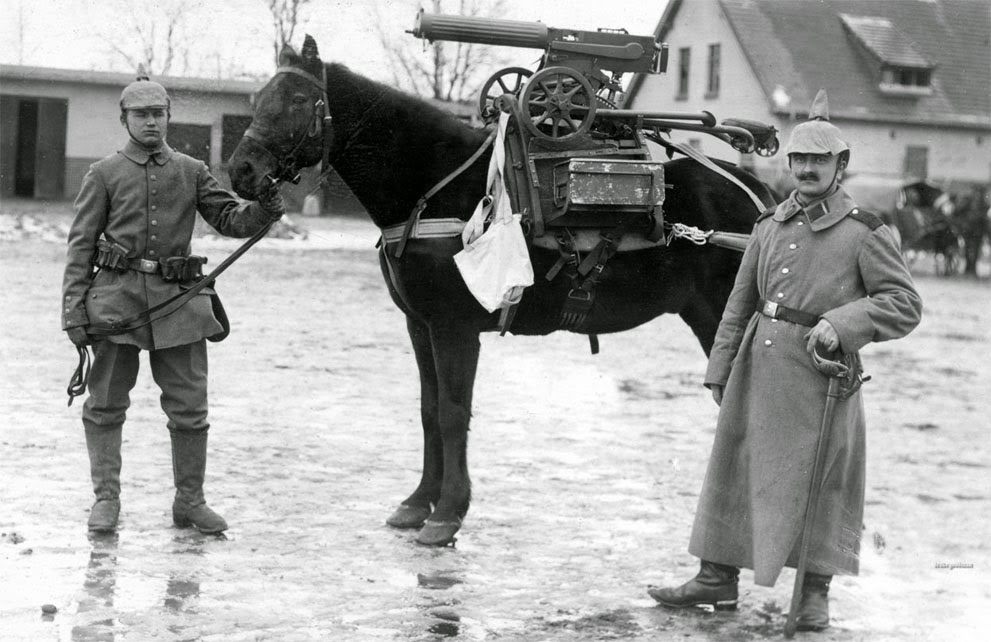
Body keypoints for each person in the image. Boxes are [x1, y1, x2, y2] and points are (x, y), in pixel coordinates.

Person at [647, 89, 923, 631]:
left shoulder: (866, 231)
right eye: (799, 160)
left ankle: (816, 590)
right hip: (759, 365)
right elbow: (739, 303)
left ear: (840, 166)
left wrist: (842, 324)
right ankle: (716, 576)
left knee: (822, 483)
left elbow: (904, 303)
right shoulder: (768, 225)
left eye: (820, 160)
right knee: (734, 465)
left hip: (821, 379)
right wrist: (720, 365)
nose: (807, 169)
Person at [62, 72, 286, 535]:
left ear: (169, 117)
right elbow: (80, 245)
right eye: (141, 115)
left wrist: (263, 208)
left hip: (179, 306)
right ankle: (106, 500)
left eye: (158, 114)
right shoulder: (103, 173)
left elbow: (228, 217)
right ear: (124, 119)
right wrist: (74, 310)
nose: (151, 123)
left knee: (189, 409)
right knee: (104, 405)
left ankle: (190, 502)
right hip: (116, 305)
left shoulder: (191, 170)